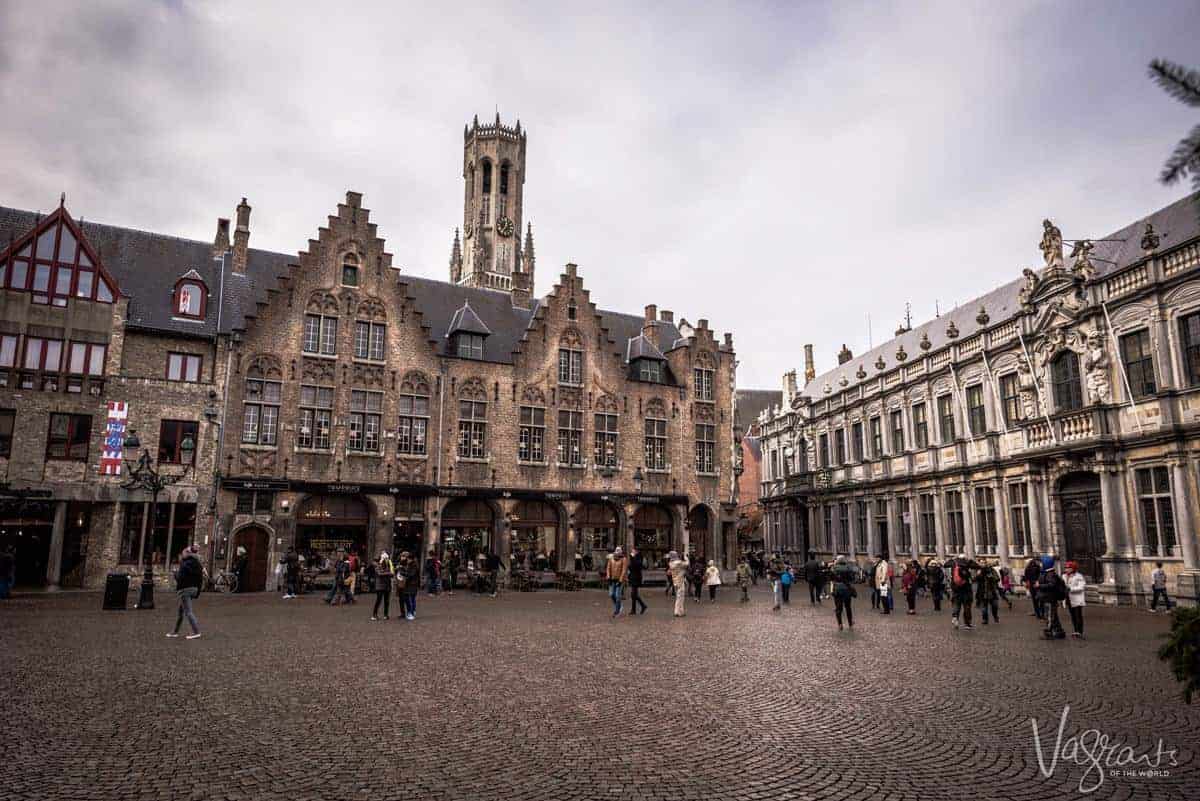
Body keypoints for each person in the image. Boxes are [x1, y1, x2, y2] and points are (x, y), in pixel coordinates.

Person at [167, 545, 203, 639]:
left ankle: (196, 632)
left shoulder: (185, 564)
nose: (182, 555)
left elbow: (180, 578)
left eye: (183, 553)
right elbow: (200, 579)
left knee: (188, 612)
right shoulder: (197, 563)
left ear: (187, 554)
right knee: (181, 611)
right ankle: (175, 632)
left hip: (185, 589)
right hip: (194, 589)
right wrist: (197, 591)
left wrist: (175, 575)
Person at [1038, 555, 1067, 640]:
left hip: (1050, 598)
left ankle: (1048, 632)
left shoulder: (1050, 574)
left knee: (1049, 616)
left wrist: (1039, 585)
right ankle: (1059, 631)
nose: (1040, 564)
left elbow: (1052, 585)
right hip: (1047, 597)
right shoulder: (1046, 572)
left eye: (1041, 563)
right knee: (1054, 616)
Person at [948, 553, 980, 630]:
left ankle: (955, 617)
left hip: (956, 588)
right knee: (967, 606)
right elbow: (977, 566)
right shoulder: (967, 563)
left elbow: (945, 564)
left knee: (956, 604)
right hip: (966, 589)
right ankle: (967, 624)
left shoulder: (954, 563)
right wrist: (970, 560)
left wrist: (953, 559)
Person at [831, 555, 856, 631]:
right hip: (847, 590)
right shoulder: (849, 567)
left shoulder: (834, 568)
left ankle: (840, 624)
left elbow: (831, 578)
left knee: (838, 608)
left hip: (837, 590)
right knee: (848, 607)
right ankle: (850, 623)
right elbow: (852, 578)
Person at [1064, 561, 1086, 638]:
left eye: (1068, 568)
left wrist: (1070, 588)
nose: (1067, 569)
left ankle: (1079, 631)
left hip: (1077, 599)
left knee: (1078, 615)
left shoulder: (1079, 576)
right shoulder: (1064, 576)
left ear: (1073, 568)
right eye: (1066, 568)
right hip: (1069, 599)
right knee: (1072, 615)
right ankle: (1075, 630)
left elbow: (1081, 587)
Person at [606, 546, 628, 618]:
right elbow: (608, 568)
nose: (618, 551)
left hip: (620, 580)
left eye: (619, 550)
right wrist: (608, 577)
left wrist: (621, 580)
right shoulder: (611, 558)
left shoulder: (623, 559)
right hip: (612, 579)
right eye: (617, 550)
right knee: (611, 594)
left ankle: (617, 611)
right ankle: (619, 606)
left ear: (621, 551)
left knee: (617, 596)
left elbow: (624, 570)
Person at [371, 552, 394, 620]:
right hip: (380, 585)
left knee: (386, 601)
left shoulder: (389, 565)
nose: (387, 560)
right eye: (385, 558)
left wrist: (390, 572)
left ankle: (386, 614)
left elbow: (392, 574)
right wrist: (389, 573)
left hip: (387, 585)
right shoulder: (378, 565)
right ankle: (374, 615)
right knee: (378, 600)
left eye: (387, 558)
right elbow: (379, 573)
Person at [399, 551, 420, 620]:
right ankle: (411, 612)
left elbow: (411, 574)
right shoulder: (410, 564)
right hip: (410, 584)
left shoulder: (413, 565)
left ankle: (411, 612)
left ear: (410, 559)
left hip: (412, 584)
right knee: (409, 598)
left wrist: (403, 573)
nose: (406, 560)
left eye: (407, 559)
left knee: (410, 599)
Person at [667, 551, 689, 617]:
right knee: (681, 597)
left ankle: (680, 611)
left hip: (675, 581)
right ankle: (678, 612)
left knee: (678, 597)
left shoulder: (670, 563)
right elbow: (687, 564)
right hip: (680, 581)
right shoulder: (678, 563)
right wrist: (686, 557)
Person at [627, 547, 647, 616]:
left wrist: (632, 558)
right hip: (632, 576)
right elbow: (631, 566)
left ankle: (636, 608)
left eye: (633, 550)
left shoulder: (639, 557)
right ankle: (640, 607)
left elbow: (637, 565)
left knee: (633, 594)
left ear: (636, 551)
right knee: (633, 594)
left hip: (636, 577)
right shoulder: (633, 557)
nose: (632, 552)